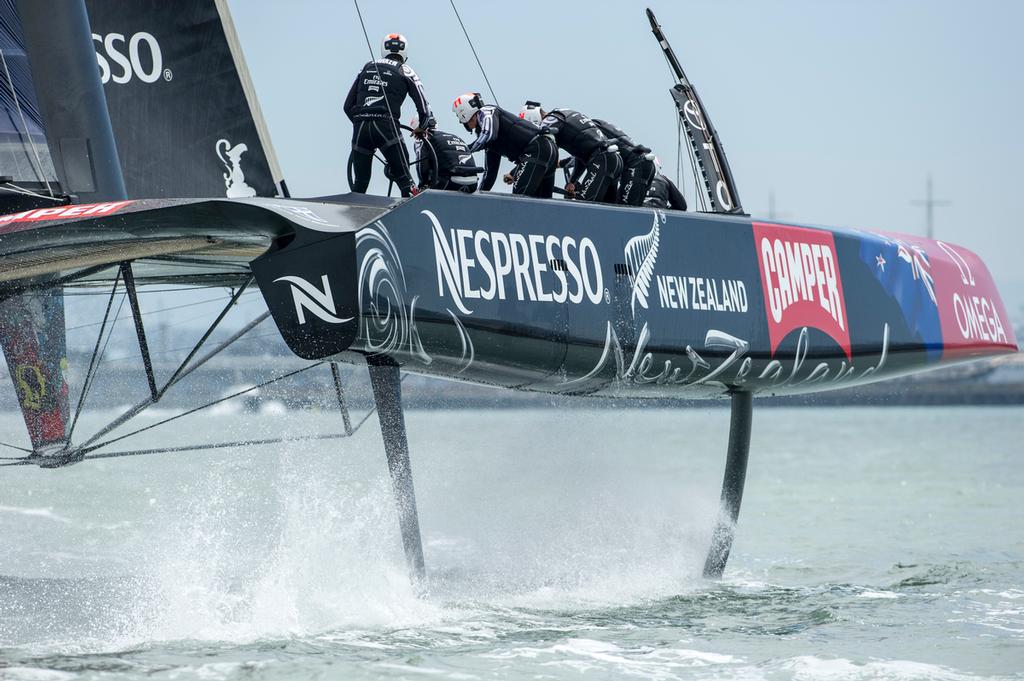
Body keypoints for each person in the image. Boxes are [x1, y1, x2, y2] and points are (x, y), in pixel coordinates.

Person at [344, 33, 434, 197]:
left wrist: (361, 121)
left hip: (360, 128)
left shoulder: (367, 66)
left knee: (359, 185)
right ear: (404, 53)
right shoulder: (406, 70)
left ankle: (352, 218)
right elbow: (424, 107)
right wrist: (422, 127)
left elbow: (347, 106)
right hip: (386, 128)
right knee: (407, 184)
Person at [452, 92, 557, 198]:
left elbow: (489, 134)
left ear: (463, 113)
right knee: (543, 204)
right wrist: (478, 195)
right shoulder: (485, 135)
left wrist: (465, 150)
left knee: (519, 200)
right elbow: (490, 172)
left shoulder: (487, 111)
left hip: (537, 149)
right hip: (546, 149)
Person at [521, 101, 622, 204]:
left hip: (602, 160)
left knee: (584, 208)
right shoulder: (561, 113)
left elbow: (541, 151)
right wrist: (572, 182)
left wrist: (514, 173)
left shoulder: (549, 121)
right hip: (614, 159)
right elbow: (581, 155)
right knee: (608, 212)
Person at [592, 118, 656, 206]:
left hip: (634, 163)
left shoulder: (593, 130)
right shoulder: (601, 125)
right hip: (645, 163)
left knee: (626, 206)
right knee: (634, 206)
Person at [410, 118, 481, 192]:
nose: (415, 137)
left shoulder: (424, 139)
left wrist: (422, 186)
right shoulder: (456, 137)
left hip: (449, 183)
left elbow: (422, 166)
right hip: (473, 183)